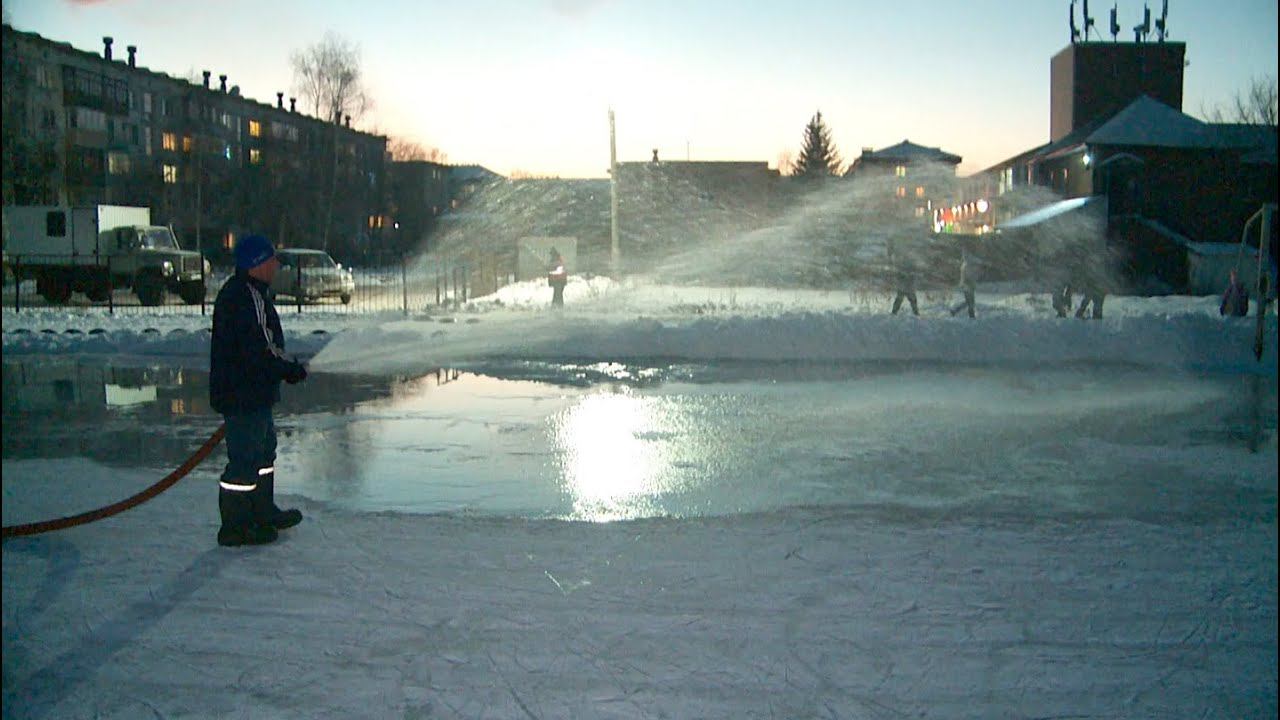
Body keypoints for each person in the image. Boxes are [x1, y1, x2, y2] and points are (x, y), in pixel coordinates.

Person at [210, 234, 308, 547]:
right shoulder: (245, 296)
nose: (276, 265)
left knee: (263, 452)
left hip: (253, 392)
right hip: (243, 394)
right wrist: (289, 368)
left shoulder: (250, 293)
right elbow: (261, 348)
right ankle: (235, 526)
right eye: (271, 259)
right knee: (244, 460)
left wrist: (283, 368)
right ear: (257, 264)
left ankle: (262, 511)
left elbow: (262, 348)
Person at [887, 238, 919, 316]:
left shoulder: (905, 262)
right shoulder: (906, 261)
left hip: (906, 284)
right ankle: (915, 313)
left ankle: (895, 313)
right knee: (908, 299)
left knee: (904, 298)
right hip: (906, 284)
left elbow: (903, 271)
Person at [949, 243, 976, 318]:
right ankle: (970, 315)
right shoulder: (967, 266)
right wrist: (969, 283)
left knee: (969, 301)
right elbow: (968, 277)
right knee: (970, 301)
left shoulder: (965, 265)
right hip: (968, 286)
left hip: (968, 285)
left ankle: (956, 311)